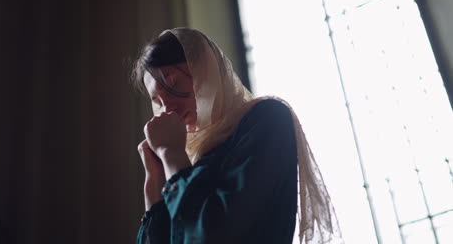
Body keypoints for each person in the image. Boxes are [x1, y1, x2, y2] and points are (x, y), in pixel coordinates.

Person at [131, 28, 342, 244]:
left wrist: (171, 154)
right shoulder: (184, 161)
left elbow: (213, 234)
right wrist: (153, 185)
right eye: (157, 100)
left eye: (174, 85)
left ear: (205, 70)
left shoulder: (267, 117)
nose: (168, 109)